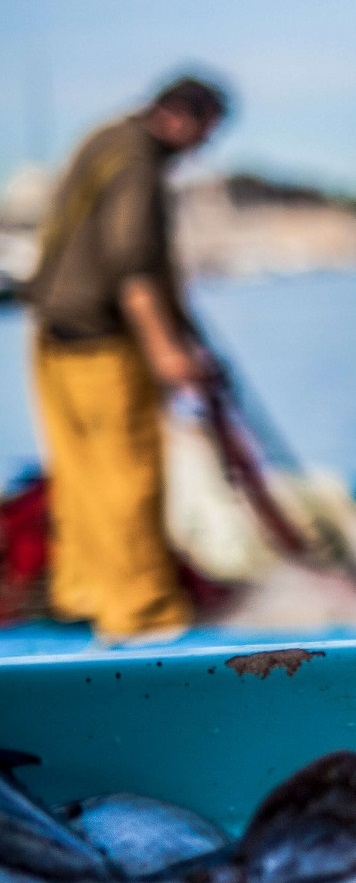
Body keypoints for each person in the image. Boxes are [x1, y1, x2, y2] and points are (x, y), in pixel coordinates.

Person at [25, 76, 228, 644]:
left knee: (80, 472)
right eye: (206, 134)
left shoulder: (106, 137)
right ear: (185, 118)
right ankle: (144, 614)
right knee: (129, 474)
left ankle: (84, 591)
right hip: (103, 342)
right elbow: (132, 267)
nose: (201, 150)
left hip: (51, 334)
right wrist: (168, 351)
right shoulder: (140, 161)